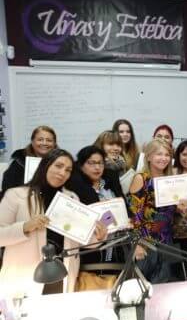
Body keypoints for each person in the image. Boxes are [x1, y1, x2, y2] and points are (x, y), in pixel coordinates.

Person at [0, 149, 107, 296]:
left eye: (68, 170)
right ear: (45, 165)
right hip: (23, 278)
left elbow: (78, 240)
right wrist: (25, 227)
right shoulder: (16, 195)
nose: (63, 172)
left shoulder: (71, 199)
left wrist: (98, 237)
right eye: (58, 166)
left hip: (61, 276)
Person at [68, 146, 128, 291]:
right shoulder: (76, 189)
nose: (97, 167)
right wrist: (111, 217)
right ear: (81, 165)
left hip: (117, 245)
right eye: (91, 163)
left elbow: (123, 206)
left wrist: (126, 218)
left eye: (100, 163)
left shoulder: (109, 182)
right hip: (92, 252)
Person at [129, 138, 176, 283]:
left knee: (164, 286)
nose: (163, 158)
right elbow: (134, 215)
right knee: (144, 286)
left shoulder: (171, 179)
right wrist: (136, 244)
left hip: (166, 242)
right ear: (148, 157)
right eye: (159, 154)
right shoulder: (141, 178)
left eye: (167, 154)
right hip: (145, 243)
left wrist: (181, 207)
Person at [1, 125, 57, 199]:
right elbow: (8, 188)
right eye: (40, 139)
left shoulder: (60, 162)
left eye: (49, 140)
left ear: (54, 143)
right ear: (32, 142)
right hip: (21, 203)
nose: (44, 143)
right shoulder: (19, 162)